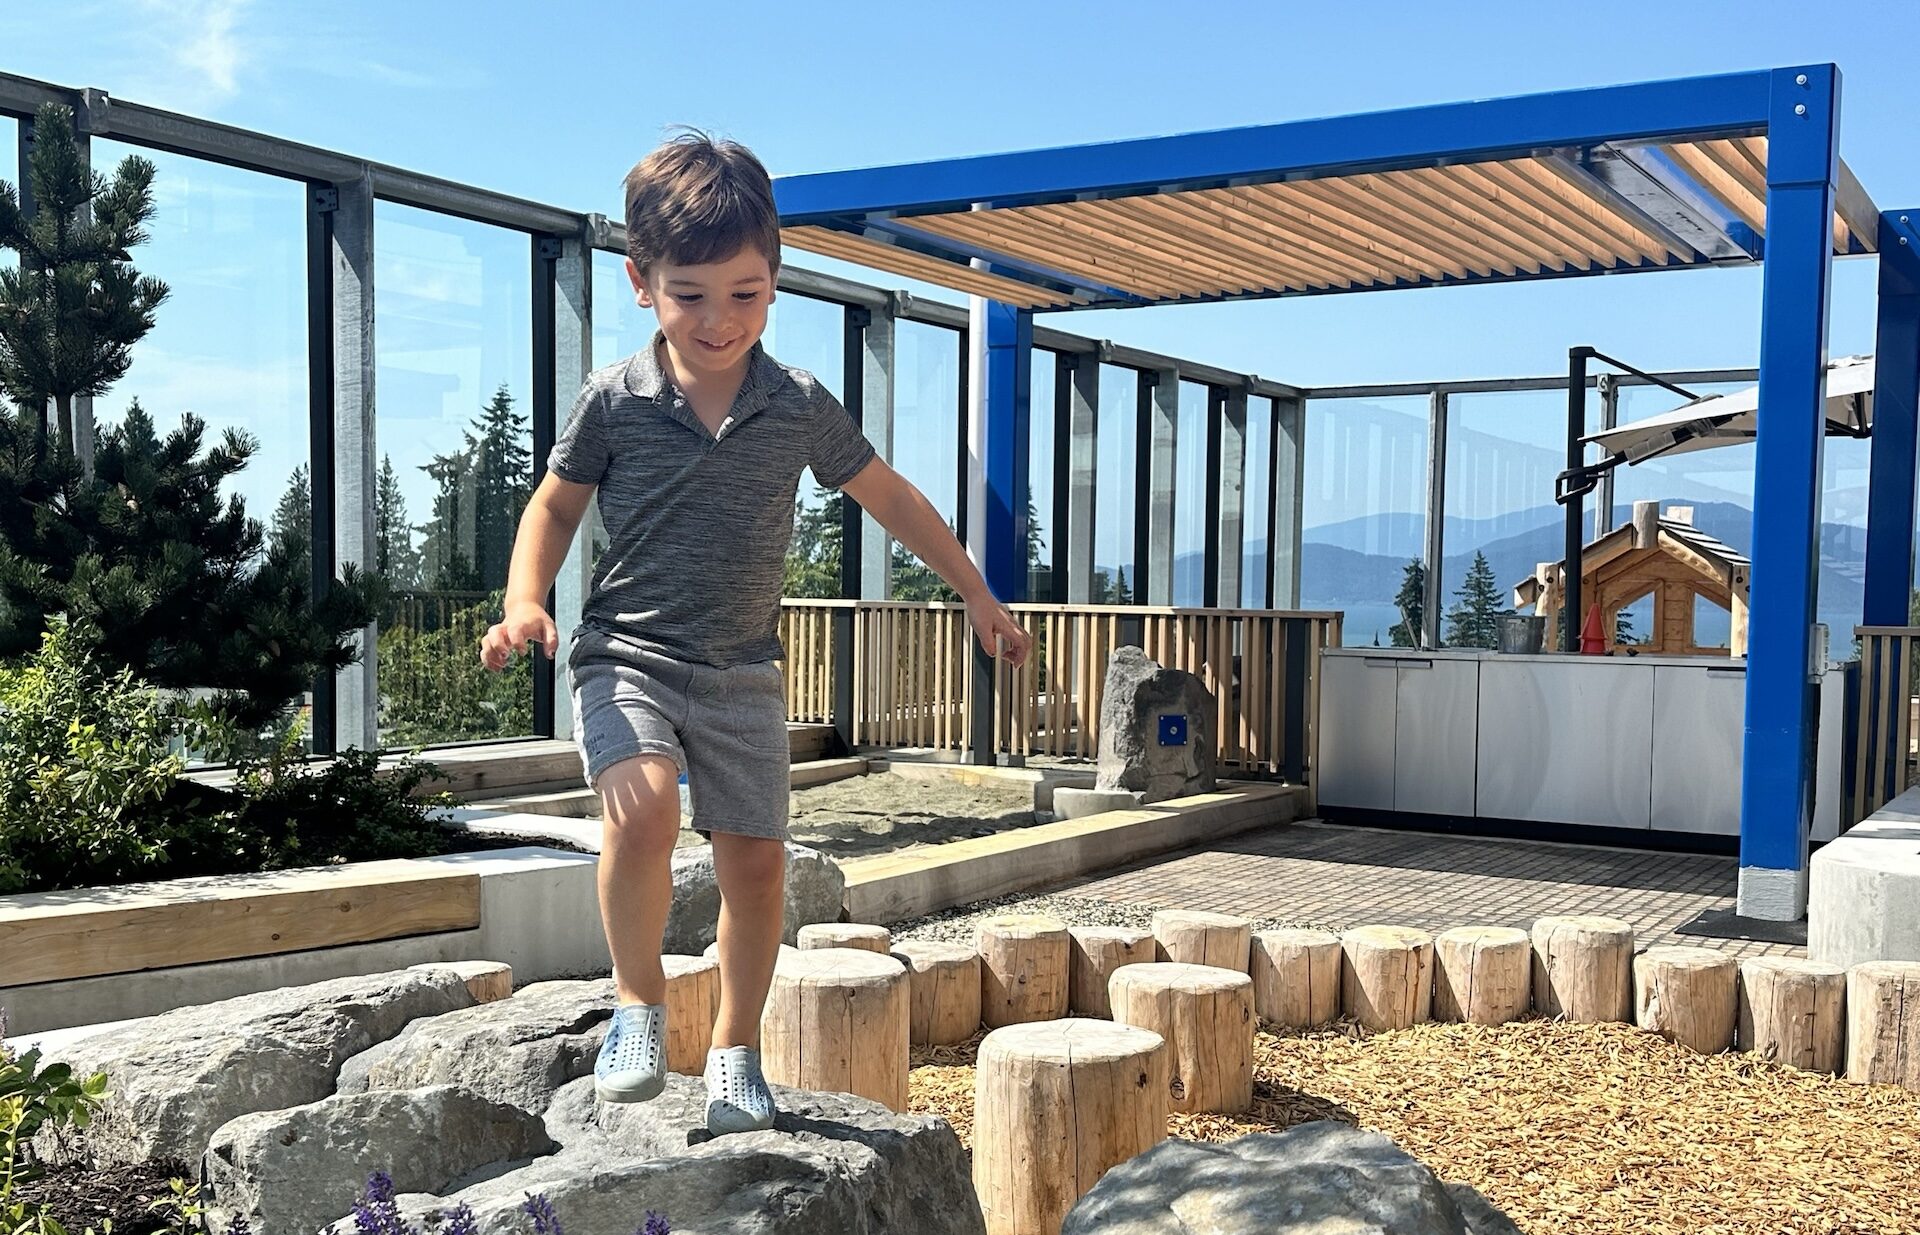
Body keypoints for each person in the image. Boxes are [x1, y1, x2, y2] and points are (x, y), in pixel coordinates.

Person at [480, 130, 1032, 1135]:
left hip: (741, 669)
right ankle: (639, 1005)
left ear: (774, 280)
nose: (720, 319)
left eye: (745, 293)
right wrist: (528, 598)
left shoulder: (797, 404)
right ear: (643, 282)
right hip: (627, 654)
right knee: (643, 811)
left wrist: (975, 592)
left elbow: (893, 498)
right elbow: (553, 507)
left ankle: (736, 1051)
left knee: (757, 866)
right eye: (691, 294)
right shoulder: (615, 398)